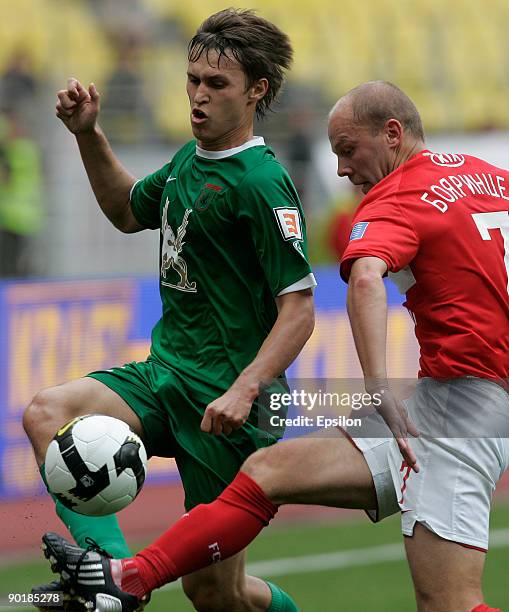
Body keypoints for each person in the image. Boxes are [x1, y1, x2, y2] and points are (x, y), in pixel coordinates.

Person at [41, 80, 509, 612]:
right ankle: (127, 578)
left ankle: (123, 580)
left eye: (348, 150)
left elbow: (364, 280)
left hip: (459, 412)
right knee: (266, 475)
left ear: (393, 135)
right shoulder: (492, 178)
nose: (341, 170)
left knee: (449, 603)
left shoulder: (395, 197)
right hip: (454, 403)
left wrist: (377, 385)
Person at [25, 8, 316, 612]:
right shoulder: (189, 159)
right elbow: (128, 211)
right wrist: (88, 134)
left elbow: (300, 309)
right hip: (166, 374)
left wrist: (245, 389)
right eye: (193, 81)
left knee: (216, 595)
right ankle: (104, 578)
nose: (198, 96)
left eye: (217, 85)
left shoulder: (261, 183)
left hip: (227, 404)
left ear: (257, 90)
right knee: (48, 412)